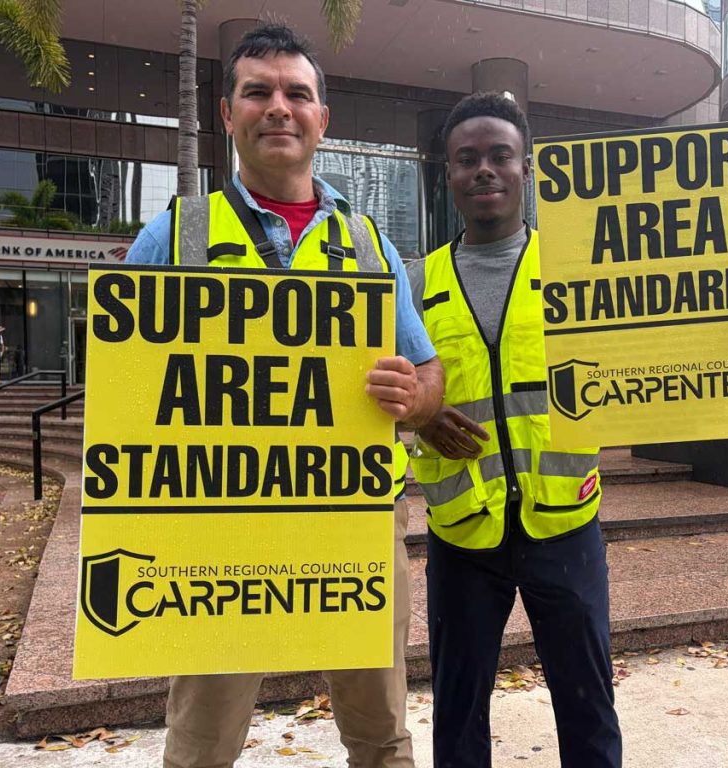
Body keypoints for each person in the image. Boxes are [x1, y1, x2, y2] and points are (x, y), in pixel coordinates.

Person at [406, 92, 728, 768]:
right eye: (468, 159)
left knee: (587, 707)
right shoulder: (416, 283)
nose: (485, 170)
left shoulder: (581, 268)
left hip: (566, 525)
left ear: (527, 169)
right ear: (449, 176)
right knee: (458, 713)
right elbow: (382, 392)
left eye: (500, 156)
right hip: (462, 532)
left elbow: (678, 317)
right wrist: (422, 416)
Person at [125, 22, 444, 768]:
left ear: (321, 120)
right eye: (258, 92)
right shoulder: (173, 238)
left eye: (297, 94)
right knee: (201, 748)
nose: (279, 107)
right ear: (228, 113)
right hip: (219, 538)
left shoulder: (369, 243)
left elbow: (430, 380)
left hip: (351, 528)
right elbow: (125, 391)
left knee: (383, 740)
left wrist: (413, 396)